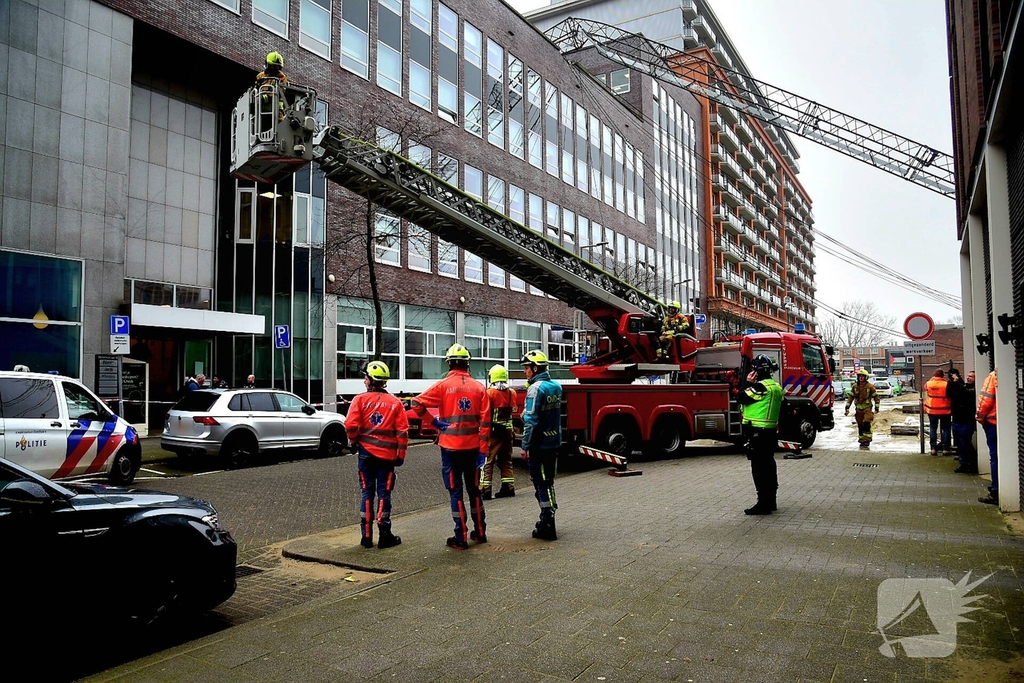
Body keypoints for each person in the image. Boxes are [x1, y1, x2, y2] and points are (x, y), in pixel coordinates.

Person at [411, 344, 490, 549]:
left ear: (449, 363)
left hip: (450, 449)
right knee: (475, 491)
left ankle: (461, 537)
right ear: (467, 363)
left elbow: (415, 403)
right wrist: (483, 450)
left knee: (456, 492)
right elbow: (486, 423)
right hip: (473, 449)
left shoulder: (443, 385)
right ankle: (480, 532)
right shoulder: (479, 388)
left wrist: (434, 422)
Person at [346, 361, 408, 548]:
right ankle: (385, 534)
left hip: (365, 455)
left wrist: (354, 441)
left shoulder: (359, 400)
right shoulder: (395, 403)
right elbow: (403, 432)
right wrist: (401, 455)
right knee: (384, 493)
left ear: (370, 380)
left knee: (366, 492)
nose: (364, 380)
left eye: (365, 377)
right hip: (387, 458)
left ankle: (366, 536)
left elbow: (350, 425)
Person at [519, 350, 562, 540]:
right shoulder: (556, 387)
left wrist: (525, 445)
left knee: (540, 483)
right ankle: (548, 517)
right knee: (549, 482)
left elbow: (531, 420)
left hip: (539, 445)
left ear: (535, 368)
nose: (525, 372)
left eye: (527, 368)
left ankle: (547, 522)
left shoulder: (536, 388)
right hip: (553, 443)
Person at [734, 354, 783, 515]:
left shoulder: (759, 387)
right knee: (769, 466)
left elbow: (741, 397)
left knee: (759, 469)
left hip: (757, 434)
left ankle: (763, 503)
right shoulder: (775, 387)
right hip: (769, 433)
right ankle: (771, 501)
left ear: (757, 371)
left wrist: (747, 382)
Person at [482, 364, 517, 500]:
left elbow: (485, 414)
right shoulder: (511, 393)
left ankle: (485, 490)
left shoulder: (489, 393)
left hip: (494, 432)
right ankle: (508, 487)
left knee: (488, 461)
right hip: (508, 431)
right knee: (506, 460)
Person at [946, 369, 977, 474]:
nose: (968, 377)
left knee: (966, 443)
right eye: (968, 376)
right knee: (960, 444)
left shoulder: (973, 390)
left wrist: (957, 382)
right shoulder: (964, 386)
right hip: (957, 419)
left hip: (966, 420)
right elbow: (950, 393)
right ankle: (963, 464)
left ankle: (972, 464)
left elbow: (964, 394)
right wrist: (952, 382)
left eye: (971, 376)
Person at [976, 369, 998, 505]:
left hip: (992, 422)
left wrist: (979, 417)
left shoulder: (993, 376)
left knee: (995, 457)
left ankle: (996, 491)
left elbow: (986, 400)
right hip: (1006, 422)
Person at [844, 368, 880, 449]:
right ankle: (861, 440)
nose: (861, 377)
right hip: (858, 410)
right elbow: (851, 397)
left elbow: (876, 397)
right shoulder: (855, 386)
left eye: (863, 376)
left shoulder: (870, 387)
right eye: (860, 376)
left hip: (867, 409)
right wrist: (847, 407)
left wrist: (877, 408)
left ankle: (867, 440)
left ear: (866, 377)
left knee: (866, 423)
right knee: (860, 425)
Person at [256, 51, 289, 125]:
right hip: (261, 109)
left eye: (277, 66)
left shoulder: (281, 77)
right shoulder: (260, 76)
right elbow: (256, 89)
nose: (274, 68)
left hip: (276, 110)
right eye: (273, 65)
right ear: (268, 64)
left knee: (278, 128)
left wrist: (266, 96)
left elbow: (281, 91)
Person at [924, 369, 951, 455]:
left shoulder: (929, 383)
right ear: (943, 375)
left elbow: (925, 388)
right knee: (946, 429)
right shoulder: (946, 384)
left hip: (932, 410)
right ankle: (946, 449)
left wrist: (932, 380)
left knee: (933, 429)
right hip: (945, 410)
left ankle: (933, 449)